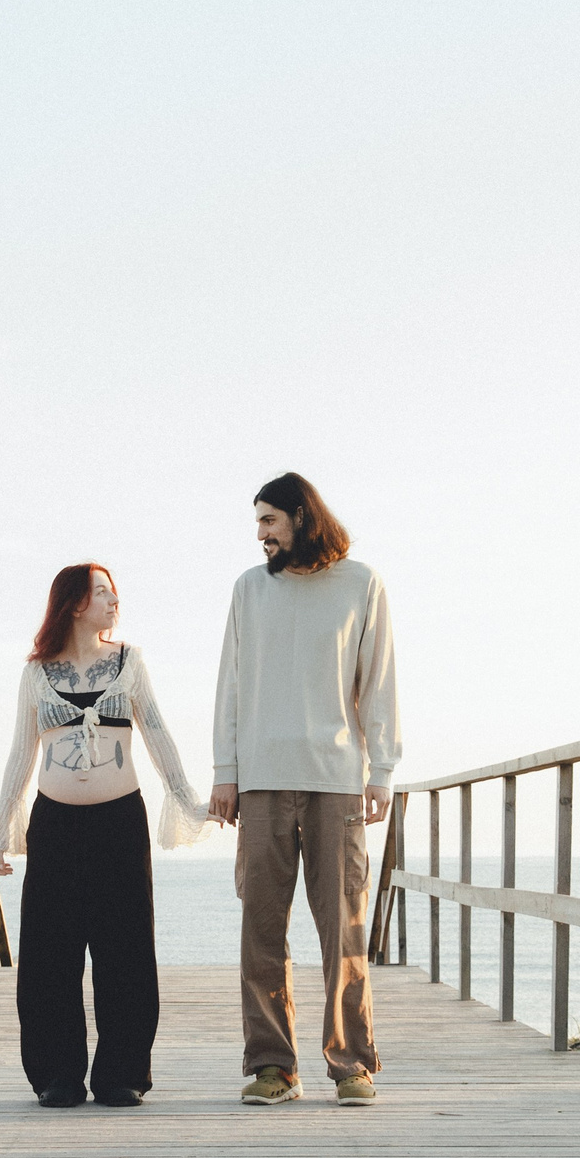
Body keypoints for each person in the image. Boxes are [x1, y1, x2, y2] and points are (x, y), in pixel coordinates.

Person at [0, 563, 215, 1108]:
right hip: (55, 824)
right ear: (73, 603)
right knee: (49, 953)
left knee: (126, 949)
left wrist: (190, 802)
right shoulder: (36, 673)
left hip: (119, 822)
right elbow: (22, 752)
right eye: (103, 593)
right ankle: (56, 1074)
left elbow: (157, 735)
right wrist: (0, 827)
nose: (115, 602)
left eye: (115, 594)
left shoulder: (129, 662)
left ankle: (121, 1072)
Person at [208, 472, 400, 1107]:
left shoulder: (360, 583)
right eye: (257, 523)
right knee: (261, 929)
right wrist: (224, 772)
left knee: (342, 928)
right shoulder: (248, 590)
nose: (260, 534)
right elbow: (230, 686)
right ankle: (273, 1066)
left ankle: (350, 1065)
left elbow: (378, 683)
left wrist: (382, 773)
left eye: (268, 520)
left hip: (336, 781)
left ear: (299, 516)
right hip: (261, 780)